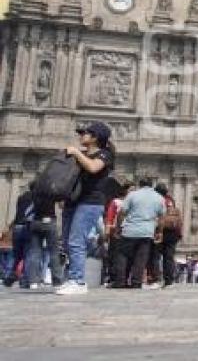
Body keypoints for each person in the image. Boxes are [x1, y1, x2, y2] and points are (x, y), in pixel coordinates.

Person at [57, 122, 115, 295]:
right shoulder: (82, 155)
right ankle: (73, 277)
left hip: (90, 202)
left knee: (76, 241)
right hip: (73, 201)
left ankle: (78, 281)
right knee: (67, 241)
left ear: (96, 137)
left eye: (85, 133)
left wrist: (75, 152)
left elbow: (92, 167)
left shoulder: (105, 155)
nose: (81, 135)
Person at [112, 178, 165, 289]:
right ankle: (136, 282)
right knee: (141, 258)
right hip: (147, 232)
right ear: (152, 185)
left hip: (129, 230)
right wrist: (159, 232)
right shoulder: (159, 198)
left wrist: (118, 228)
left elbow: (122, 212)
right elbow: (161, 218)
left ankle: (120, 281)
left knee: (123, 256)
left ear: (139, 184)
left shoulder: (132, 195)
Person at [26, 184, 62, 289]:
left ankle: (33, 281)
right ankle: (57, 280)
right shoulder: (50, 192)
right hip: (49, 221)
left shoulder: (33, 194)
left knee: (34, 252)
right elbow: (61, 201)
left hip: (35, 222)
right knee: (54, 252)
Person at [154, 184, 181, 288]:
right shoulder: (171, 201)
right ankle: (169, 280)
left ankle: (155, 279)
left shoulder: (158, 200)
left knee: (155, 256)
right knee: (169, 257)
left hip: (159, 230)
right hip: (173, 233)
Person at [7, 182, 34, 288]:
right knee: (28, 254)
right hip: (27, 227)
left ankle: (9, 276)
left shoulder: (21, 197)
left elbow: (19, 211)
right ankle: (24, 279)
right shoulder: (37, 198)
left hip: (17, 227)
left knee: (16, 255)